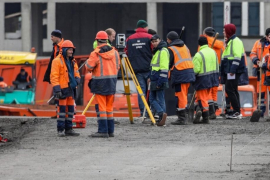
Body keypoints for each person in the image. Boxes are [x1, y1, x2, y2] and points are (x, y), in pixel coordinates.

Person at [86, 31, 120, 138]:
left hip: (100, 83)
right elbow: (118, 66)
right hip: (112, 82)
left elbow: (88, 67)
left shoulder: (95, 53)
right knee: (109, 108)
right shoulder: (115, 52)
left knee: (102, 108)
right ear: (106, 40)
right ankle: (110, 131)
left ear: (97, 40)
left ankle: (102, 131)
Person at [50, 40, 81, 137]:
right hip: (63, 89)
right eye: (70, 50)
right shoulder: (57, 61)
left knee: (70, 110)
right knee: (62, 111)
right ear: (64, 50)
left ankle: (68, 129)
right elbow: (54, 76)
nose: (71, 52)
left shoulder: (73, 61)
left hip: (71, 89)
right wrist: (57, 89)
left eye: (72, 50)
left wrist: (77, 79)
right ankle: (61, 129)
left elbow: (76, 72)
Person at [124, 20, 153, 118]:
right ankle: (151, 112)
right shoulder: (149, 37)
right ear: (144, 27)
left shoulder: (129, 39)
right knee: (151, 91)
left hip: (136, 70)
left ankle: (143, 113)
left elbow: (126, 53)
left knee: (141, 92)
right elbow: (154, 51)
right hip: (149, 69)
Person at [166, 31, 195, 125]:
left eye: (167, 39)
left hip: (180, 73)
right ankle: (185, 116)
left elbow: (169, 63)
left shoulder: (171, 49)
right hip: (189, 72)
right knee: (184, 95)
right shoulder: (185, 46)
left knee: (180, 96)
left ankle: (182, 118)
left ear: (170, 39)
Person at [220, 23, 247, 119]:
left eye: (224, 30)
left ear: (229, 31)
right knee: (233, 89)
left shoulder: (235, 41)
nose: (223, 32)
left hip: (233, 70)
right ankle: (237, 111)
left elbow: (236, 57)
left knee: (229, 89)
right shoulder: (231, 41)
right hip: (232, 70)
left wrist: (232, 70)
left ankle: (236, 111)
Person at [193, 36, 219, 124]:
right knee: (205, 98)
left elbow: (196, 70)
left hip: (202, 80)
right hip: (212, 78)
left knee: (202, 99)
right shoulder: (213, 52)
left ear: (199, 44)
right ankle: (201, 112)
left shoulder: (198, 54)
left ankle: (205, 118)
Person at [201, 27, 225, 119]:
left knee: (207, 90)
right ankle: (214, 110)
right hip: (216, 68)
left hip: (206, 69)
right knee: (214, 90)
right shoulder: (220, 45)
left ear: (205, 34)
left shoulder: (203, 42)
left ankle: (210, 110)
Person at [148, 34, 169, 126]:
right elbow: (153, 67)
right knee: (159, 98)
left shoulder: (162, 51)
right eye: (152, 42)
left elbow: (164, 68)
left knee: (153, 99)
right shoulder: (158, 51)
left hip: (158, 78)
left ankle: (161, 114)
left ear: (160, 40)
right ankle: (161, 117)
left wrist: (160, 81)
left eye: (155, 41)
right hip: (155, 78)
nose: (154, 43)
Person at [250, 28, 270, 119]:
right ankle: (260, 111)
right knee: (260, 93)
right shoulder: (258, 43)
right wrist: (257, 62)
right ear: (266, 36)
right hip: (261, 71)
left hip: (268, 71)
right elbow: (252, 54)